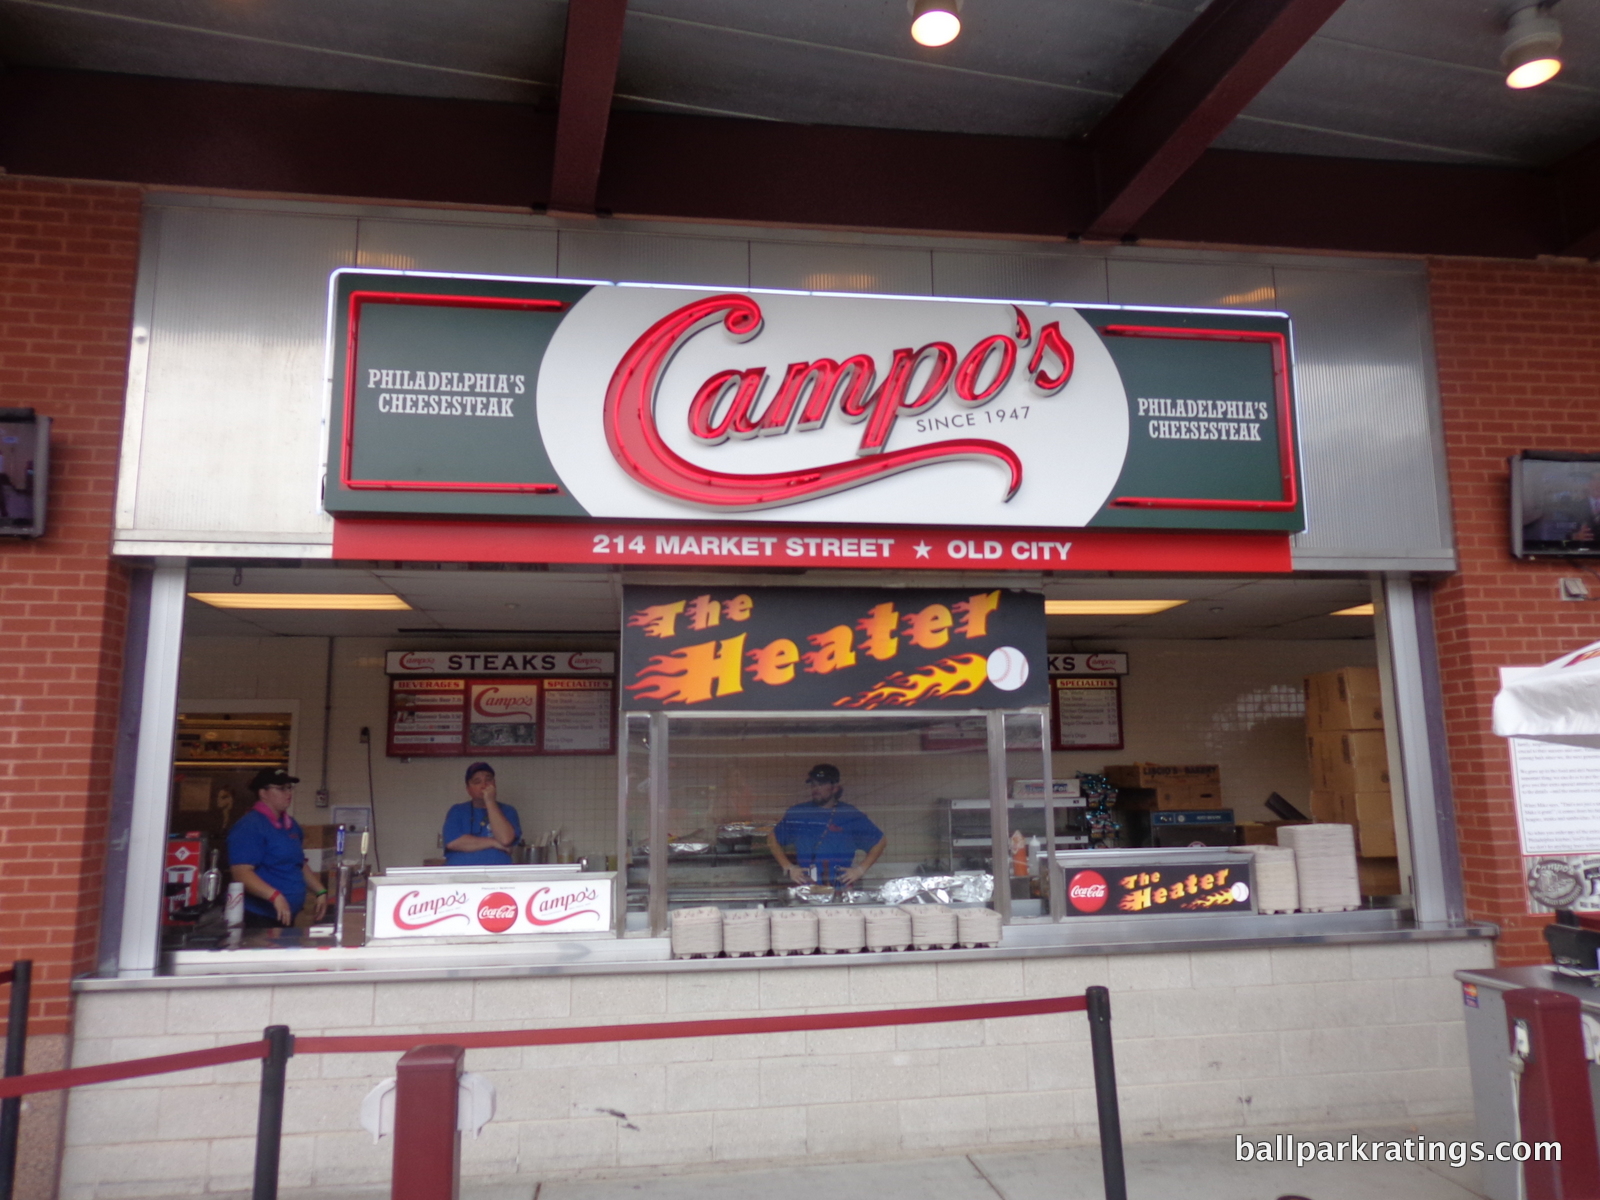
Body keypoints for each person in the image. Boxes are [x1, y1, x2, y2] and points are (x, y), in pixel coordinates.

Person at [227, 768, 328, 928]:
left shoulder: (291, 825)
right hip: (259, 917)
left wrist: (320, 891)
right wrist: (275, 896)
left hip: (287, 916)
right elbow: (241, 873)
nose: (288, 793)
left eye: (289, 787)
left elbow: (298, 864)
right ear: (263, 793)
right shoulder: (250, 826)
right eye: (281, 788)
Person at [767, 764, 886, 888]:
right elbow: (772, 838)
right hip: (807, 888)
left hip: (839, 888)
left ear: (835, 788)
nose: (816, 788)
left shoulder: (849, 814)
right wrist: (789, 867)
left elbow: (880, 841)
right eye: (813, 784)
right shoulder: (798, 812)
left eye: (821, 784)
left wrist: (859, 870)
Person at [443, 761, 522, 866]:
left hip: (498, 876)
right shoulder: (457, 810)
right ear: (468, 789)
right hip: (460, 876)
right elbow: (453, 842)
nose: (484, 785)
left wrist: (490, 802)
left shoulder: (508, 810)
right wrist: (494, 842)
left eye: (488, 780)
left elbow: (505, 839)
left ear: (494, 783)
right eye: (477, 781)